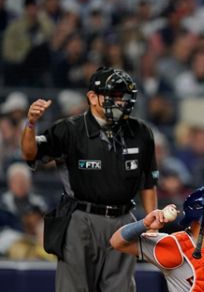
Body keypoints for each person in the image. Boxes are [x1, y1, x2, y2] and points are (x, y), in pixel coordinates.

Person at [21, 67, 159, 292]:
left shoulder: (142, 131)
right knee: (74, 288)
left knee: (121, 288)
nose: (121, 102)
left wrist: (151, 224)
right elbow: (30, 153)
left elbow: (148, 181)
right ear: (92, 97)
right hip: (81, 219)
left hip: (124, 220)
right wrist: (31, 124)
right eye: (113, 96)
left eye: (123, 96)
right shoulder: (70, 129)